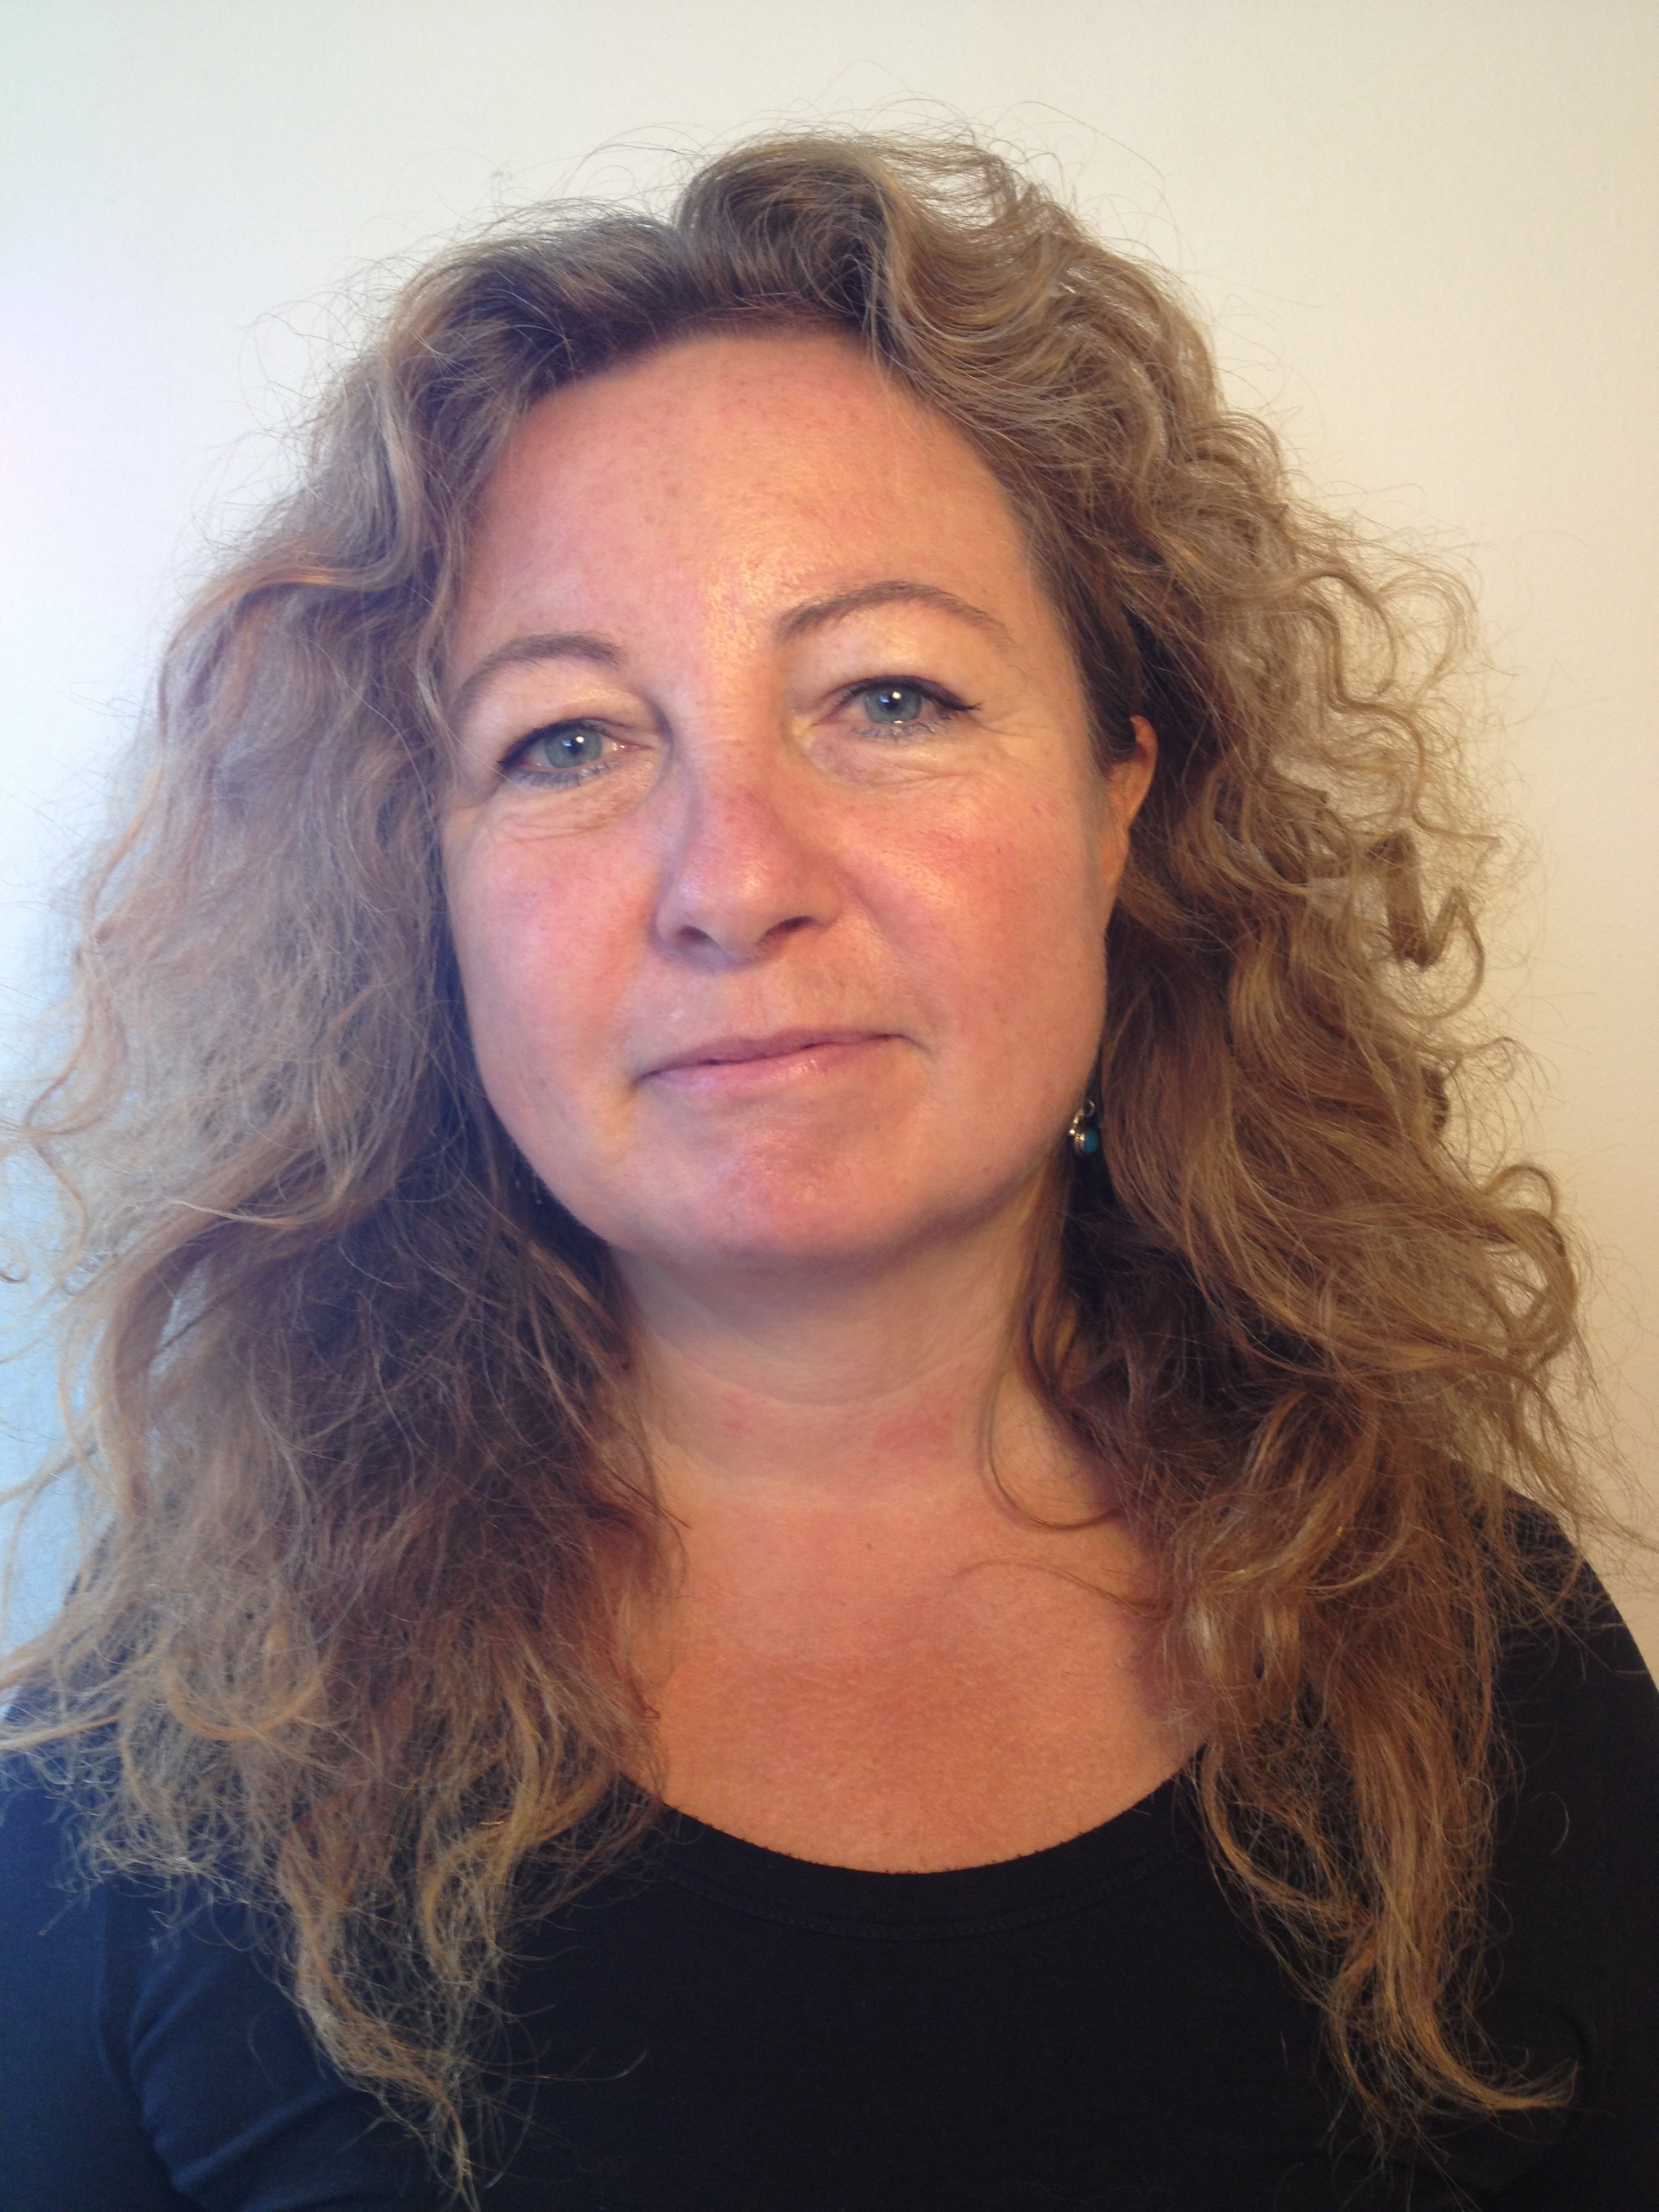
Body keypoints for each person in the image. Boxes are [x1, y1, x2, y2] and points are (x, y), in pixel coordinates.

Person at [1, 131, 1655, 2212]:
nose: (735, 880)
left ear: (1117, 801)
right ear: (425, 902)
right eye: (567, 740)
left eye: (888, 695)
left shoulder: (1482, 1658)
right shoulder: (143, 1801)